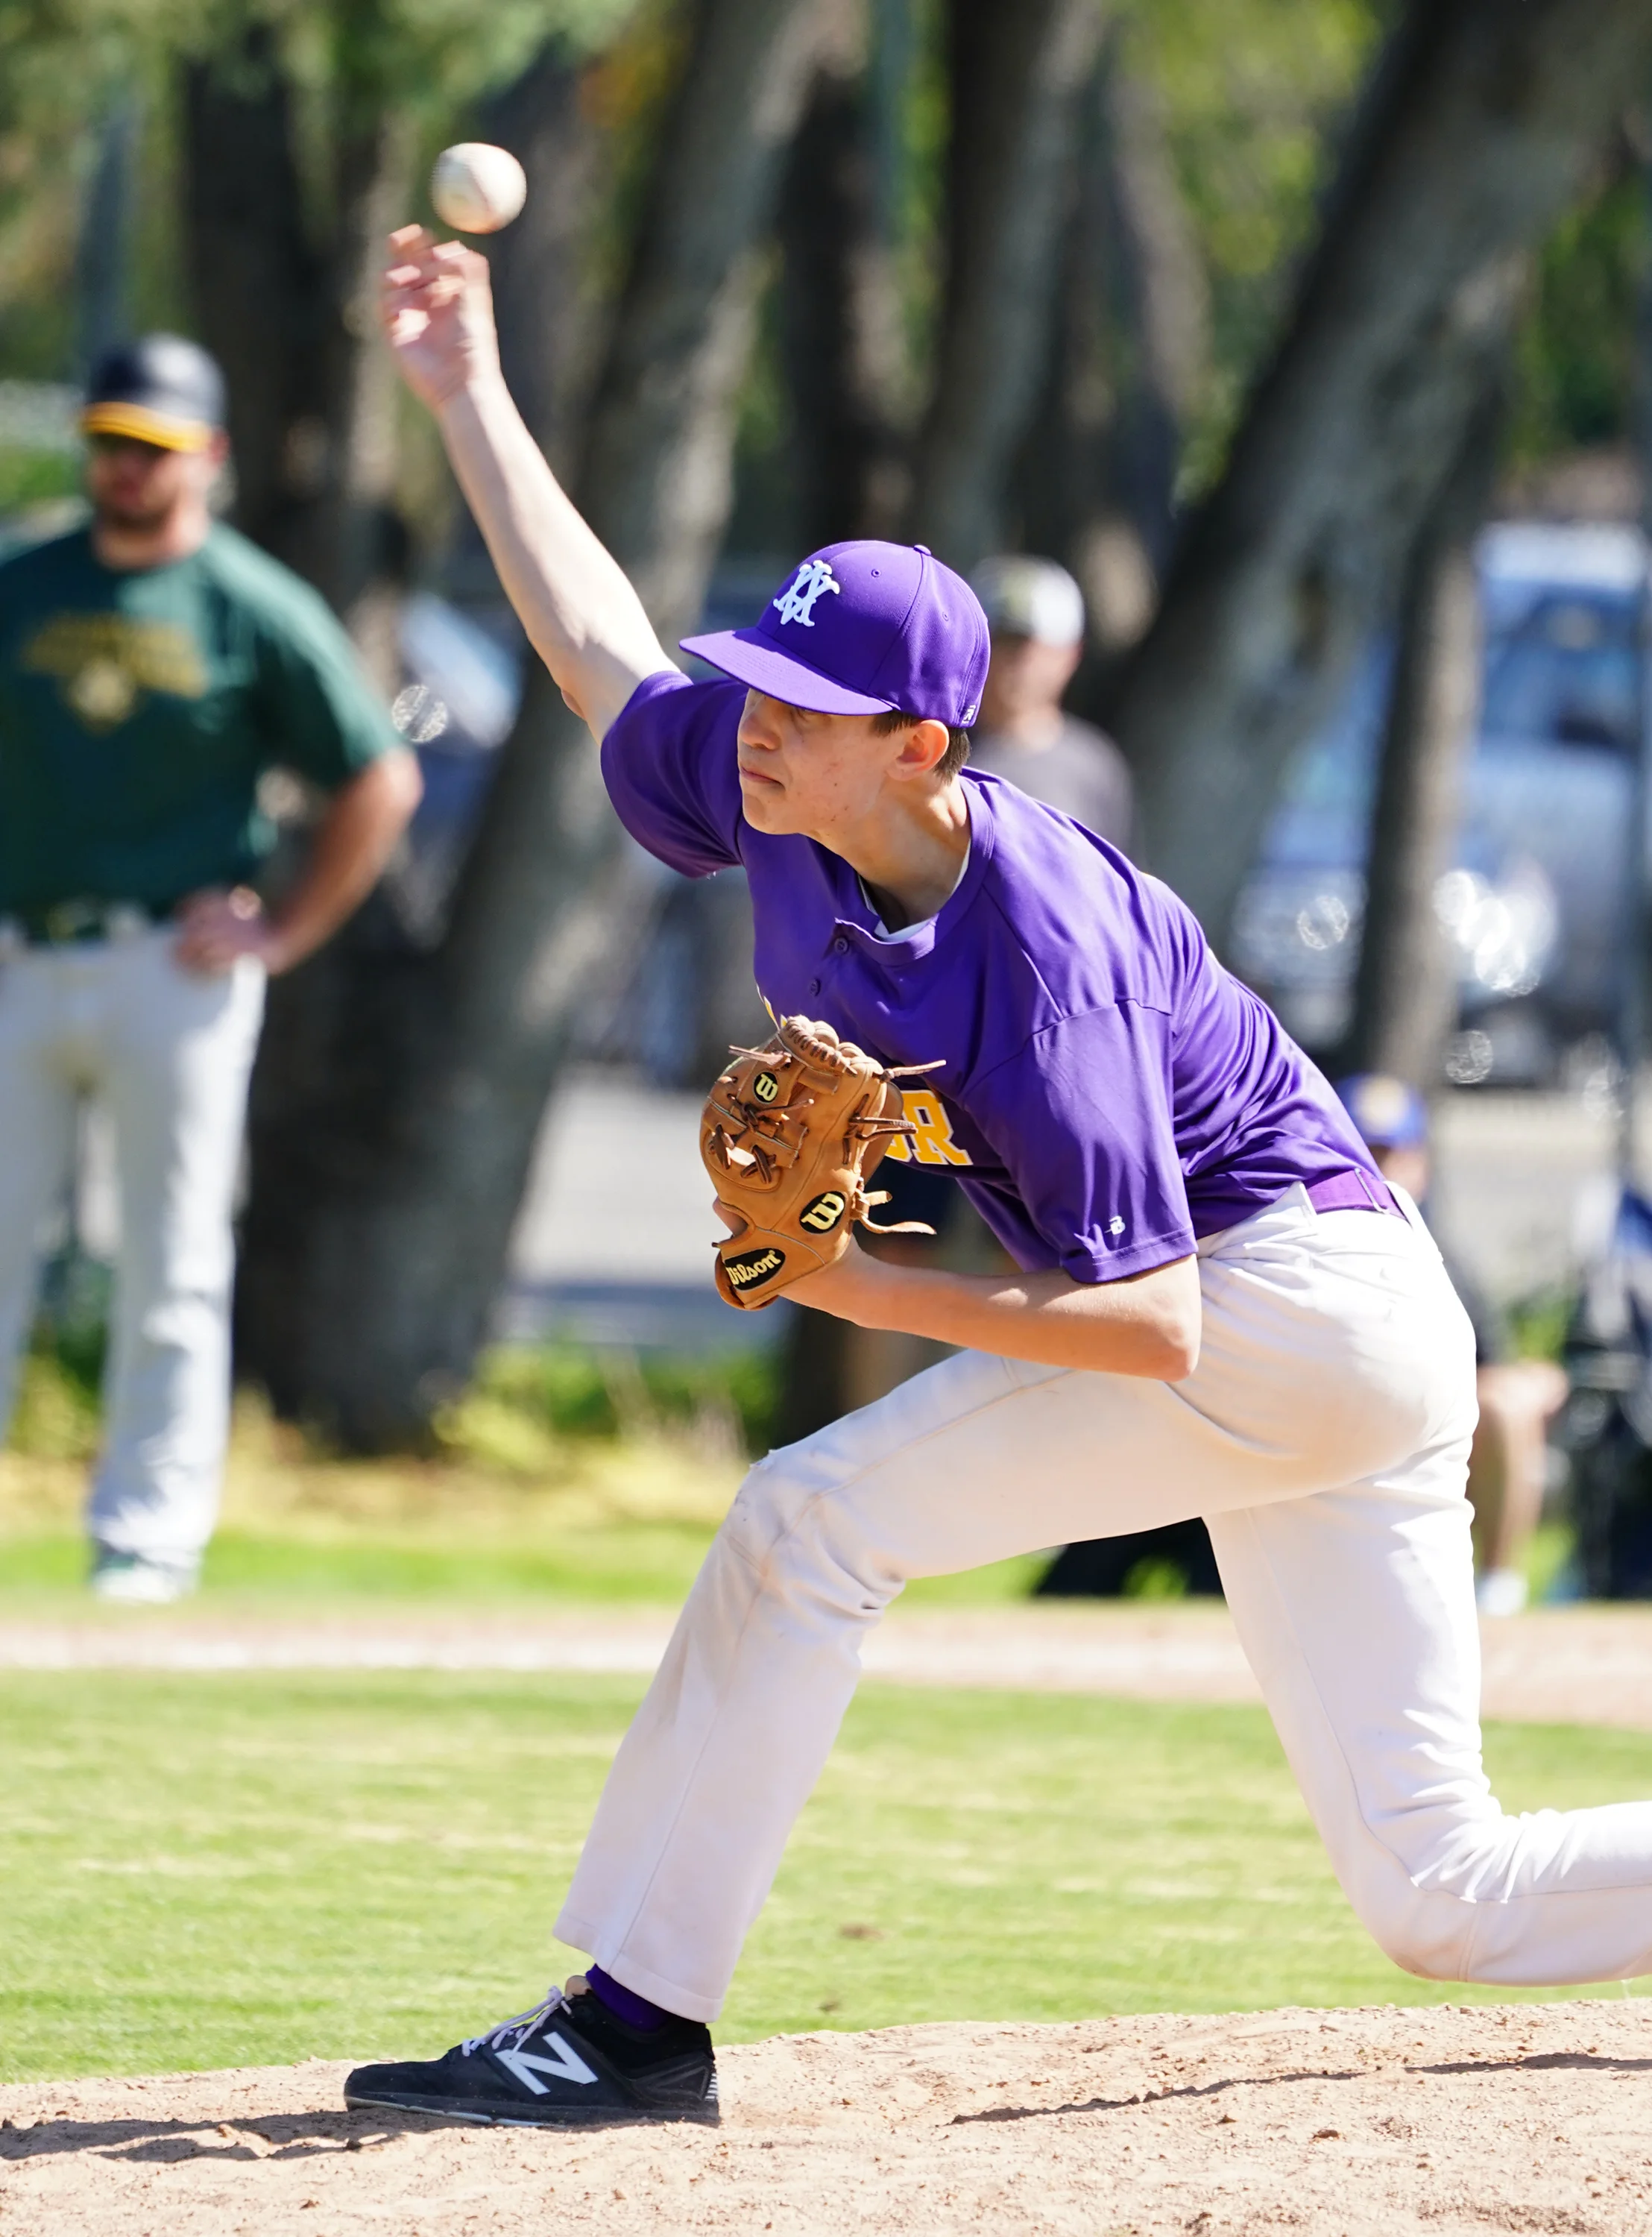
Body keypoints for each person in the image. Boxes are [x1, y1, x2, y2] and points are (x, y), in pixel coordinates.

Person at [347, 227, 1652, 2130]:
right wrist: (469, 395)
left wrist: (841, 1278)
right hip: (1347, 1339)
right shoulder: (790, 784)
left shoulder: (1039, 950)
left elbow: (1148, 1321)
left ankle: (631, 2024)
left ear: (923, 743)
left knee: (807, 1523)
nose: (754, 719)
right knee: (1437, 1896)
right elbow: (594, 655)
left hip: (1280, 1306)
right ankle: (630, 2023)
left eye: (799, 698)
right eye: (761, 685)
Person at [0, 334, 423, 1604]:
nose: (128, 468)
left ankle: (146, 1537)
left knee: (172, 1262)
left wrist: (283, 932)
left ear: (208, 457)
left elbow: (376, 775)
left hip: (169, 969)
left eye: (155, 448)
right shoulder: (24, 584)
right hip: (22, 951)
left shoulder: (247, 601)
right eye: (112, 444)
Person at [1336, 1073, 1569, 1619]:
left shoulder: (1444, 1258)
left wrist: (1538, 1379)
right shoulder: (1304, 1243)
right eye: (1364, 1152)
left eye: (1392, 1154)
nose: (1381, 1170)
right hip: (1345, 1423)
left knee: (1509, 1401)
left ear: (1420, 1165)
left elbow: (1497, 1365)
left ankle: (1495, 1592)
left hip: (1432, 1423)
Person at [964, 553, 1132, 849]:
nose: (1012, 663)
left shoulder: (1094, 768)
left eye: (1027, 648)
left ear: (1071, 655)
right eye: (1000, 642)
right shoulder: (932, 746)